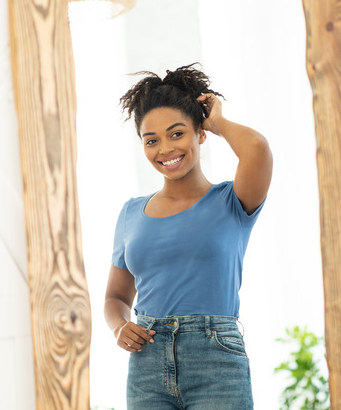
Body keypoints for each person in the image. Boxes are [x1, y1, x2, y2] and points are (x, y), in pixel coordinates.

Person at [104, 64, 272, 409]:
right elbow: (116, 296)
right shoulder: (130, 213)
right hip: (147, 365)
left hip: (216, 361)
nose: (164, 148)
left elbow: (256, 146)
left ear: (200, 133)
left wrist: (217, 120)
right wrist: (120, 326)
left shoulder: (232, 201)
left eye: (177, 133)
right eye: (151, 140)